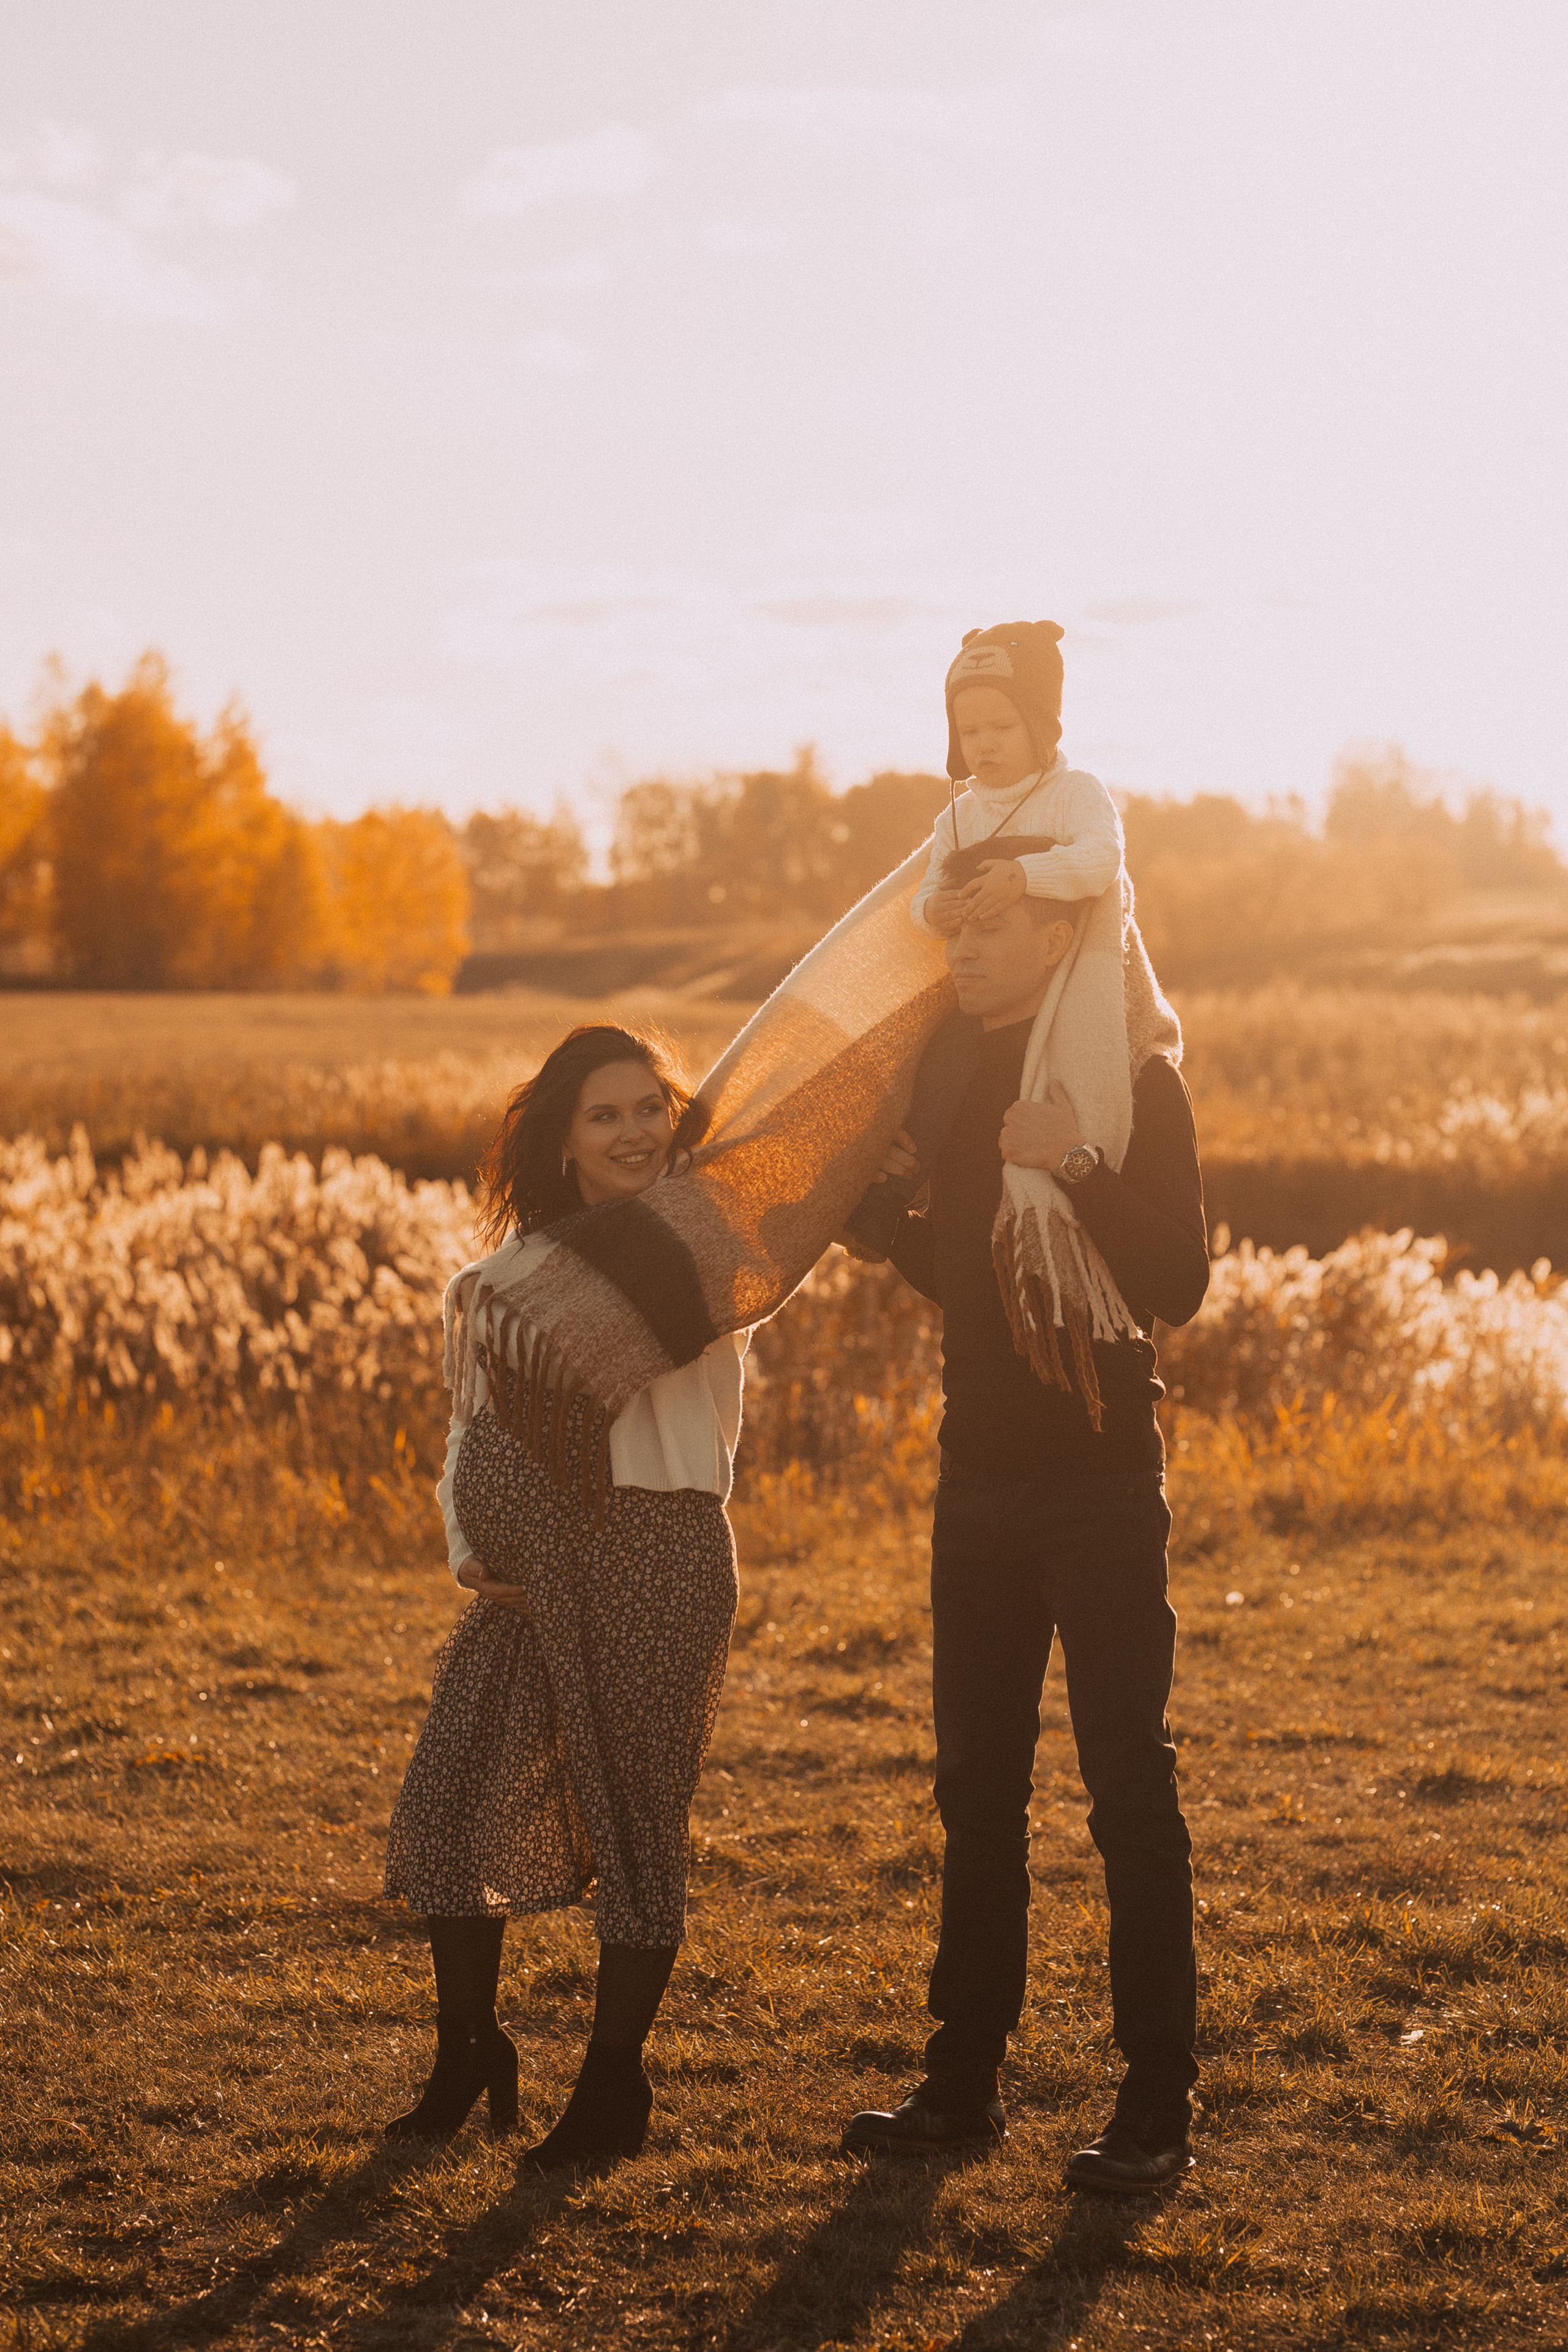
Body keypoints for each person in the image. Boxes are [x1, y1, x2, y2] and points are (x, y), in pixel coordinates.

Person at [840, 834, 1212, 2195]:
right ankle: (961, 2083)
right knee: (976, 1795)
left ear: (1059, 937)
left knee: (1128, 1792)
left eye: (991, 929)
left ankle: (1155, 2105)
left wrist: (1078, 1162)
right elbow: (983, 1282)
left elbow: (1174, 1281)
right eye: (955, 930)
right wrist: (878, 1207)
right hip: (973, 1483)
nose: (964, 951)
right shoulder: (947, 1073)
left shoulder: (1127, 1082)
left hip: (1101, 1488)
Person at [383, 1025, 748, 2167]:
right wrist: (463, 1547)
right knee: (453, 1796)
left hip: (658, 1555)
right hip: (528, 1579)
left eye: (650, 1107)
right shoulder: (495, 1287)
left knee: (636, 1826)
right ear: (564, 1140)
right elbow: (464, 1438)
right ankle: (469, 2050)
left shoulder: (703, 1246)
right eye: (606, 1114)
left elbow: (804, 1191)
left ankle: (611, 2089)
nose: (635, 1130)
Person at [841, 620, 1124, 1264]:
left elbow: (1100, 861)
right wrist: (934, 910)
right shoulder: (959, 818)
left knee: (1081, 1071)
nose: (985, 745)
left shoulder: (1074, 794)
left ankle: (1080, 1186)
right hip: (995, 996)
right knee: (938, 1058)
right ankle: (891, 1190)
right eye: (970, 733)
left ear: (1041, 724)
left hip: (1074, 976)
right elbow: (920, 903)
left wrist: (1026, 874)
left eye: (1001, 727)